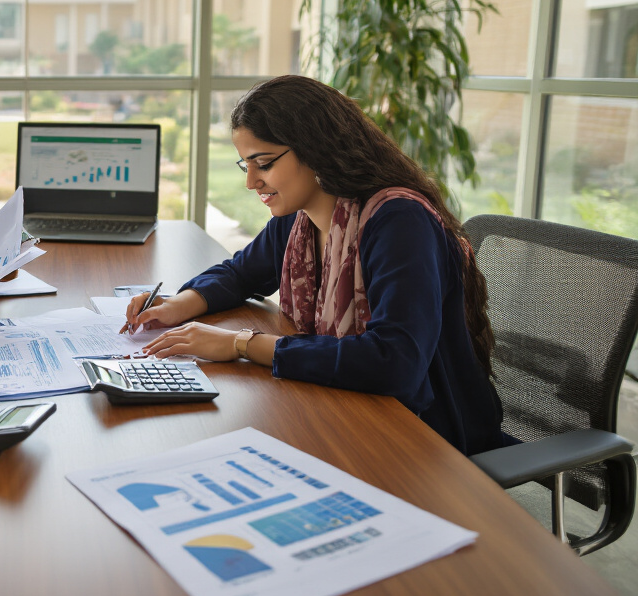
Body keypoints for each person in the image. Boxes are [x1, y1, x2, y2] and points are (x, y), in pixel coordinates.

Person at [125, 74, 504, 455]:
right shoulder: (299, 219)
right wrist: (177, 305)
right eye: (246, 165)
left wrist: (241, 344)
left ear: (316, 148)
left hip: (428, 432)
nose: (252, 182)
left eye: (265, 163)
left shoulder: (399, 222)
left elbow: (394, 362)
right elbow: (241, 273)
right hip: (347, 408)